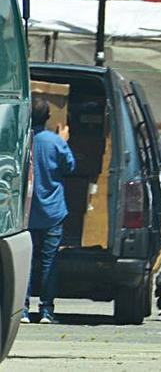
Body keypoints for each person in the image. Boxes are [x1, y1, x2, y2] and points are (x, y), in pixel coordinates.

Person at [24, 97, 75, 324]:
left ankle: (22, 311)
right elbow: (69, 166)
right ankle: (46, 311)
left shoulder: (22, 142)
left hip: (25, 214)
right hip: (52, 213)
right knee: (48, 262)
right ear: (47, 118)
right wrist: (64, 140)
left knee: (25, 262)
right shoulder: (55, 141)